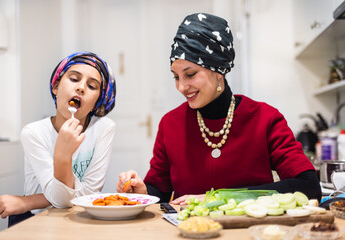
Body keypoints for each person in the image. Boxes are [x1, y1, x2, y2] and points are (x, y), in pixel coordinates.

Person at [116, 13, 321, 205]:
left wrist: (216, 199)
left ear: (218, 71)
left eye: (190, 74)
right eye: (176, 76)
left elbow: (308, 186)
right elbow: (159, 190)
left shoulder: (264, 118)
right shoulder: (170, 124)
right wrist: (143, 192)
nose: (181, 87)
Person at [0, 52, 116, 226]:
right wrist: (63, 154)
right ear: (56, 87)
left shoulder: (103, 128)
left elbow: (89, 196)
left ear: (96, 102)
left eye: (92, 86)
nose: (81, 88)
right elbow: (66, 198)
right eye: (74, 79)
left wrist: (28, 201)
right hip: (38, 221)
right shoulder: (33, 133)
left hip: (81, 220)